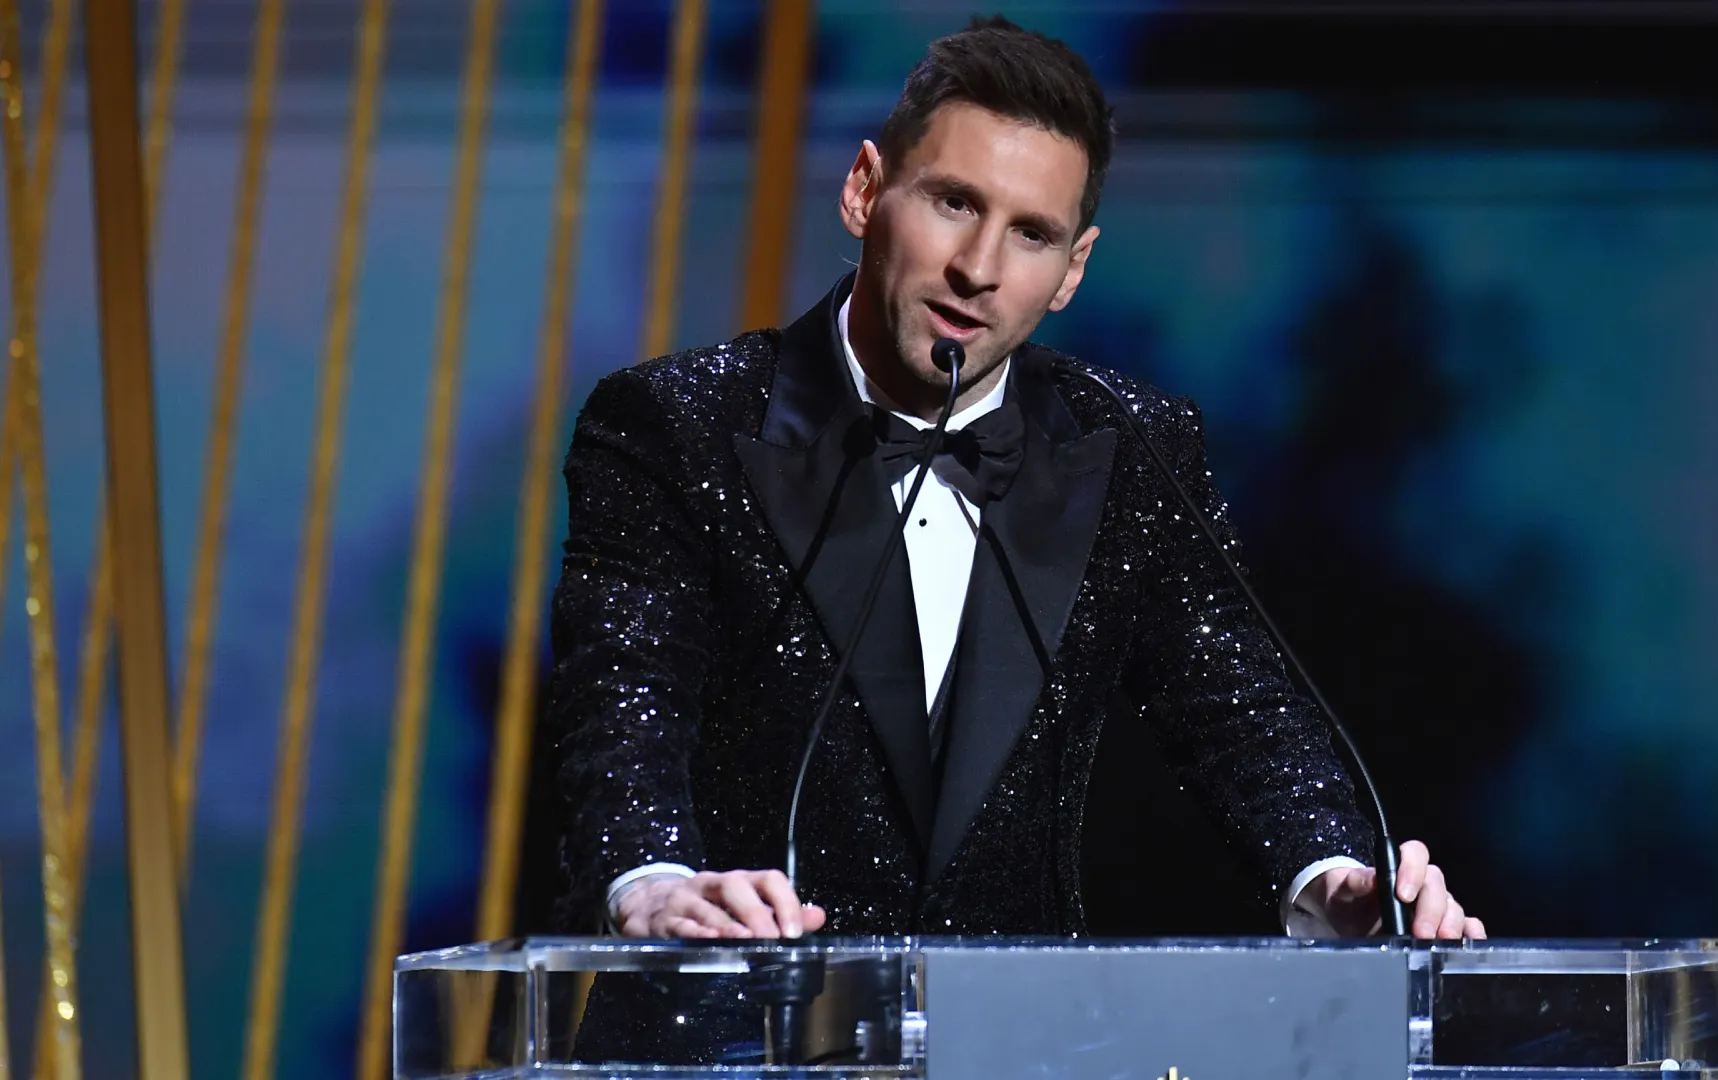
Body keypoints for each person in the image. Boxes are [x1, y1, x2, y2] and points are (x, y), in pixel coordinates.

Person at [546, 14, 1484, 949]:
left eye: (1031, 234)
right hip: (733, 1031)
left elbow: (1241, 711)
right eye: (954, 202)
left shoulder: (1134, 446)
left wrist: (1336, 879)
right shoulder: (675, 425)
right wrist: (653, 881)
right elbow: (619, 701)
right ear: (866, 190)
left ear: (1073, 269)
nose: (978, 269)